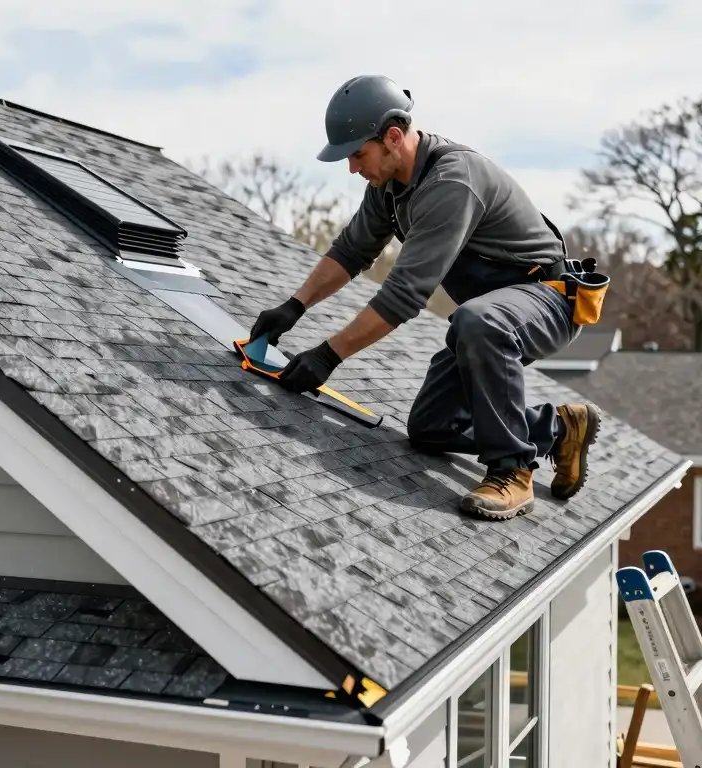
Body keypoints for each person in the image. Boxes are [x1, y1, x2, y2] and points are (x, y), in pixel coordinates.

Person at [248, 74, 605, 521]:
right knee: (431, 429)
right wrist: (293, 306)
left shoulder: (452, 182)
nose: (353, 168)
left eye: (358, 154)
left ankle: (513, 472)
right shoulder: (389, 188)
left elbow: (402, 296)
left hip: (547, 301)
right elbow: (351, 251)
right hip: (489, 316)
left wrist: (326, 356)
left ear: (393, 138)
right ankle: (558, 427)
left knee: (478, 321)